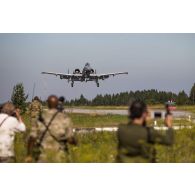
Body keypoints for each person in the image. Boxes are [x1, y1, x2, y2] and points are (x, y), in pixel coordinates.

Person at [26, 95, 76, 163]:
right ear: (57, 104)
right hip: (60, 157)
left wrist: (29, 155)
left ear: (48, 104)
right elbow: (70, 138)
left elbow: (32, 138)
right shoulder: (65, 118)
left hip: (43, 157)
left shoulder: (40, 118)